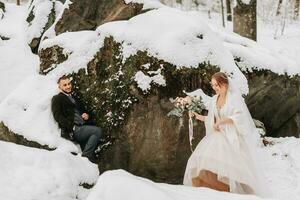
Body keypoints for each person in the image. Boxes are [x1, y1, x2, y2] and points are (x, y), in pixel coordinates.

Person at [183, 72, 271, 197]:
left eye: (216, 85)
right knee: (206, 166)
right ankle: (211, 194)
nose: (214, 88)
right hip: (216, 137)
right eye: (213, 85)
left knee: (230, 172)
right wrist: (197, 116)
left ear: (224, 84)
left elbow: (240, 117)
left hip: (230, 138)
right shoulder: (214, 99)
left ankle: (230, 194)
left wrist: (223, 120)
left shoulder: (233, 99)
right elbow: (211, 119)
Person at [51, 75, 103, 163]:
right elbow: (57, 116)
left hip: (84, 126)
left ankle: (87, 163)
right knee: (97, 131)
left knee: (93, 159)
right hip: (74, 129)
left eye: (69, 83)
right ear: (59, 87)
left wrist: (86, 115)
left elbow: (85, 111)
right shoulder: (57, 98)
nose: (68, 86)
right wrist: (71, 126)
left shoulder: (75, 97)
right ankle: (85, 157)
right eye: (65, 85)